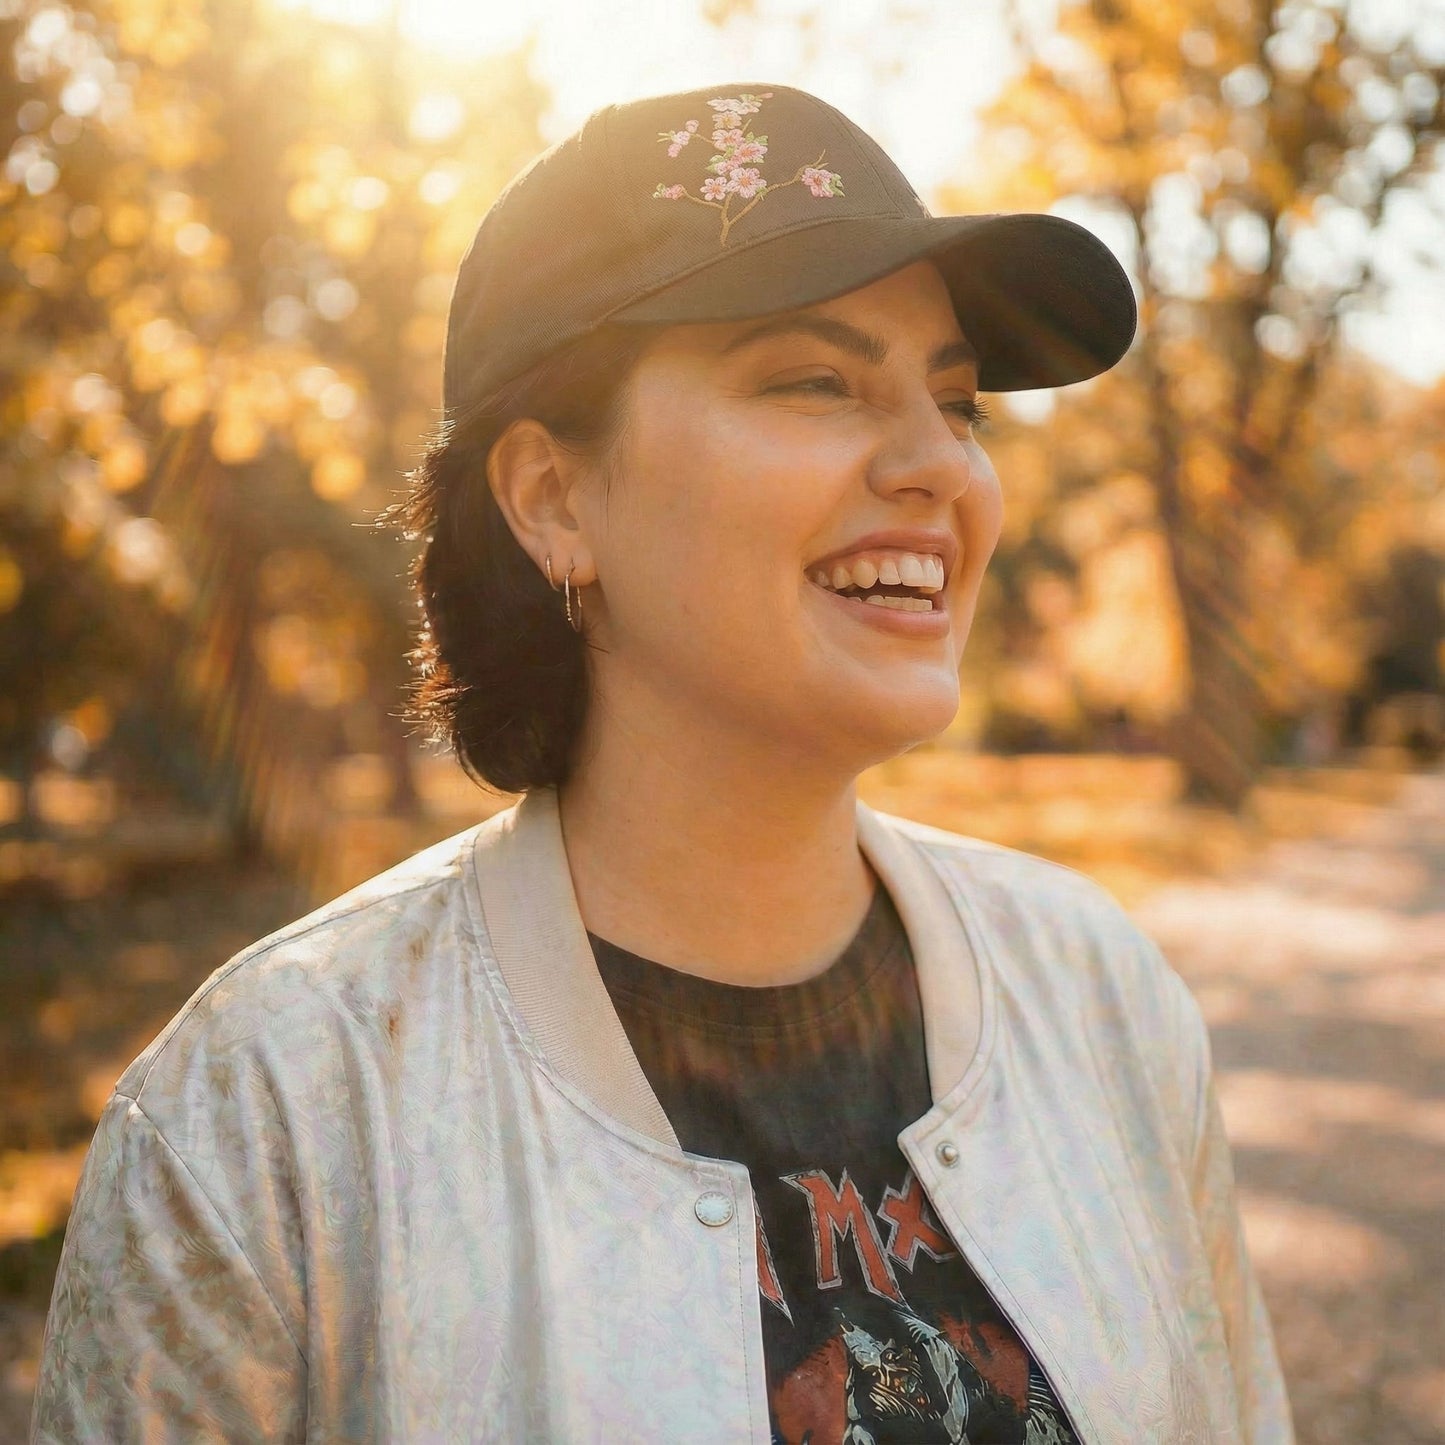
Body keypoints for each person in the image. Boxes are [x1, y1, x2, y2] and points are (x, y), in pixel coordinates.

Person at [32, 83, 1294, 1444]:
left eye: (956, 399)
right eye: (815, 380)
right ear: (552, 499)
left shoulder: (1102, 998)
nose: (942, 466)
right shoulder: (267, 1115)